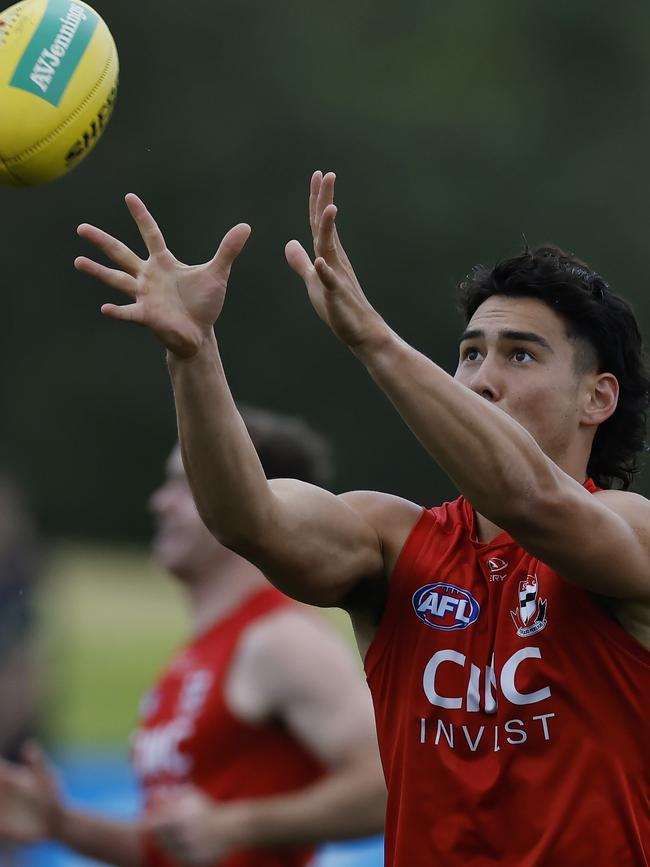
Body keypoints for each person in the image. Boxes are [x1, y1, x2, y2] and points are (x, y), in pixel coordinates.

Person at [68, 170, 649, 865]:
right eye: (469, 354)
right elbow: (246, 519)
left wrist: (374, 339)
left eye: (519, 354)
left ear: (597, 398)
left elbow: (532, 500)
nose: (482, 377)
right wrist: (194, 355)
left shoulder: (629, 529)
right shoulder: (393, 539)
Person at [0, 407, 387, 867]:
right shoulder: (202, 652)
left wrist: (238, 824)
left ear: (244, 499)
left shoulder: (283, 641)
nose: (159, 503)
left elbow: (387, 785)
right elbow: (176, 847)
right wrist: (61, 823)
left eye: (184, 485)